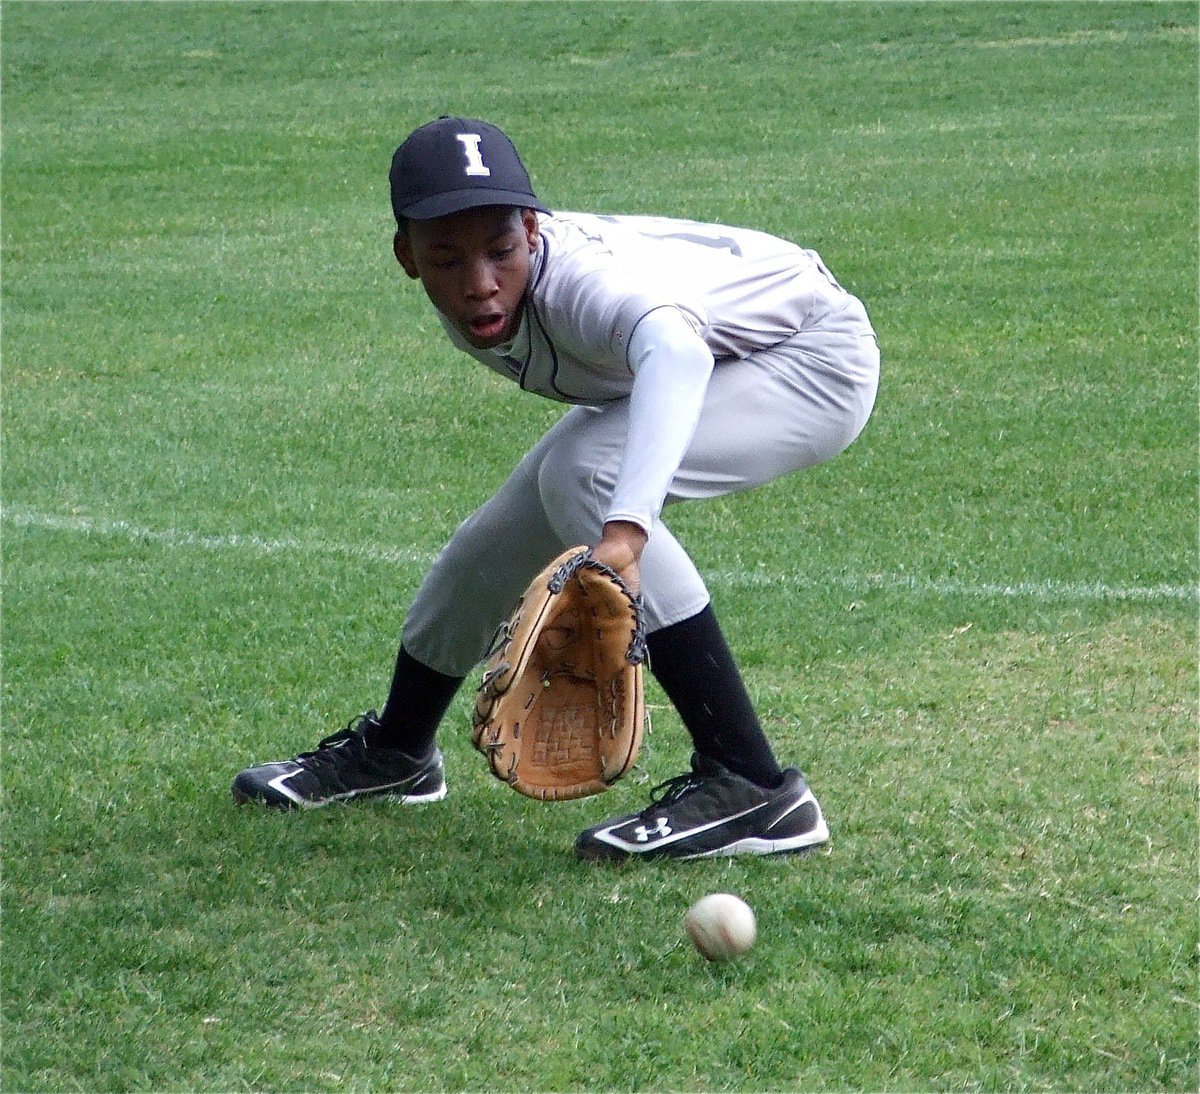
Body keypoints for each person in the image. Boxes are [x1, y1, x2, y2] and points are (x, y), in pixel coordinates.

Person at [232, 116, 879, 861]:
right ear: (406, 257)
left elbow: (675, 350)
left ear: (533, 231)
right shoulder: (490, 287)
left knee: (587, 475)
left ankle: (753, 786)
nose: (480, 282)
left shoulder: (580, 284)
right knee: (498, 537)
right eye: (447, 258)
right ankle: (398, 753)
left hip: (811, 359)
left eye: (502, 251)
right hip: (739, 347)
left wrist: (626, 535)